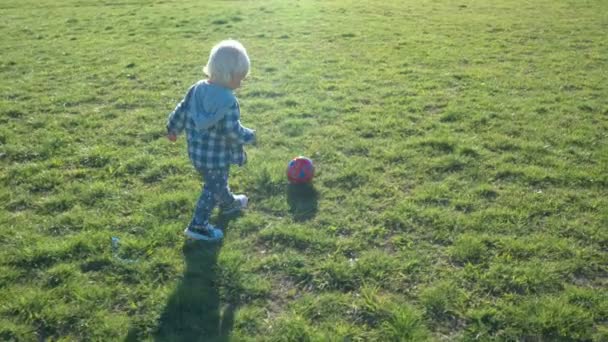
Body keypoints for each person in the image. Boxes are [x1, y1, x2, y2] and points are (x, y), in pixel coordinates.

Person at [166, 39, 256, 241]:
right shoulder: (228, 102)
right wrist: (250, 136)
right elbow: (232, 133)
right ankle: (198, 226)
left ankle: (228, 204)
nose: (240, 84)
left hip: (197, 153)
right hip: (217, 157)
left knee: (216, 183)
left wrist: (173, 128)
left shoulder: (196, 88)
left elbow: (182, 109)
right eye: (239, 79)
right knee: (212, 189)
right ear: (227, 75)